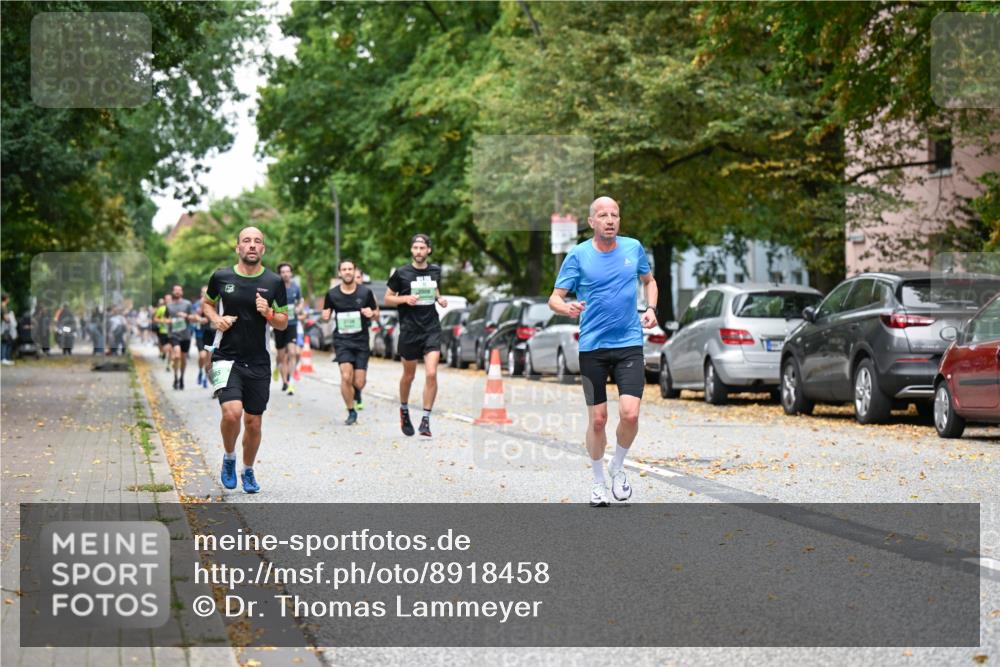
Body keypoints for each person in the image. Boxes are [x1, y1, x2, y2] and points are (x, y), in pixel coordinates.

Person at [548, 196, 658, 507]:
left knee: (630, 413)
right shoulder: (578, 255)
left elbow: (650, 282)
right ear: (592, 222)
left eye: (615, 215)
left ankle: (617, 466)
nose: (610, 220)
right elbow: (554, 298)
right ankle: (598, 480)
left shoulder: (633, 248)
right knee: (598, 420)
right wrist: (566, 307)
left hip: (628, 344)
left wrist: (652, 307)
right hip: (593, 347)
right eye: (603, 215)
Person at [202, 226, 288, 494]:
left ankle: (248, 470)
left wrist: (270, 314)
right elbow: (207, 304)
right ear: (237, 247)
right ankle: (229, 458)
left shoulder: (274, 283)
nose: (252, 245)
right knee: (232, 413)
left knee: (253, 422)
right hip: (223, 357)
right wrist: (216, 319)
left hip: (259, 361)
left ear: (263, 249)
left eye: (258, 241)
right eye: (246, 241)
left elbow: (284, 323)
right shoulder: (221, 276)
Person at [384, 234, 447, 437]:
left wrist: (440, 299)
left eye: (422, 248)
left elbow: (435, 290)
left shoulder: (436, 270)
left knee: (431, 373)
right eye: (415, 248)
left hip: (431, 328)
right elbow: (387, 298)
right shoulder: (401, 273)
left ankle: (426, 420)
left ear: (428, 250)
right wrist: (405, 299)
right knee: (409, 375)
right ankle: (404, 409)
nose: (418, 251)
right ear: (412, 251)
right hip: (410, 330)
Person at [322, 259, 379, 425]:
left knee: (359, 382)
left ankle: (356, 392)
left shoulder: (365, 293)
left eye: (350, 269)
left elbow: (376, 314)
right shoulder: (332, 294)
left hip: (361, 341)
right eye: (344, 269)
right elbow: (325, 315)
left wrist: (372, 313)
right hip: (342, 341)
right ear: (339, 273)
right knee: (346, 377)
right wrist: (324, 317)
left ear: (355, 272)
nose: (347, 272)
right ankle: (351, 411)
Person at [273, 262, 303, 395]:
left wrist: (299, 308)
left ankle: (289, 382)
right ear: (280, 274)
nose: (285, 274)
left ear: (291, 273)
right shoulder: (275, 288)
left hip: (292, 324)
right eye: (283, 272)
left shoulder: (296, 287)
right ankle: (283, 377)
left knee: (292, 352)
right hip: (279, 325)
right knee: (281, 356)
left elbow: (301, 300)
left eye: (287, 271)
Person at [166, 285, 194, 389]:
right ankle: (175, 376)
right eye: (175, 290)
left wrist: (185, 316)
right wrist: (168, 321)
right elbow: (165, 319)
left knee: (183, 358)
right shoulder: (169, 306)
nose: (177, 292)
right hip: (174, 334)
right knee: (177, 355)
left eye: (179, 290)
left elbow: (193, 317)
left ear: (182, 292)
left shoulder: (187, 304)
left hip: (185, 335)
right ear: (173, 292)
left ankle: (181, 377)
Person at [153, 295, 172, 370]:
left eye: (170, 299)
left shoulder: (174, 308)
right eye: (167, 299)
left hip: (172, 332)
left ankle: (168, 365)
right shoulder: (161, 309)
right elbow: (155, 318)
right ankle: (163, 353)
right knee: (165, 348)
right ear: (165, 300)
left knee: (171, 349)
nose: (168, 300)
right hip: (163, 331)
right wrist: (162, 321)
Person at [1, 293, 16, 366]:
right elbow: (5, 318)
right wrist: (10, 317)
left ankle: (5, 358)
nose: (9, 299)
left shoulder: (4, 307)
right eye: (8, 298)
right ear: (6, 298)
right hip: (4, 328)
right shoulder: (3, 307)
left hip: (5, 327)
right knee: (4, 342)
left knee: (6, 342)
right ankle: (3, 358)